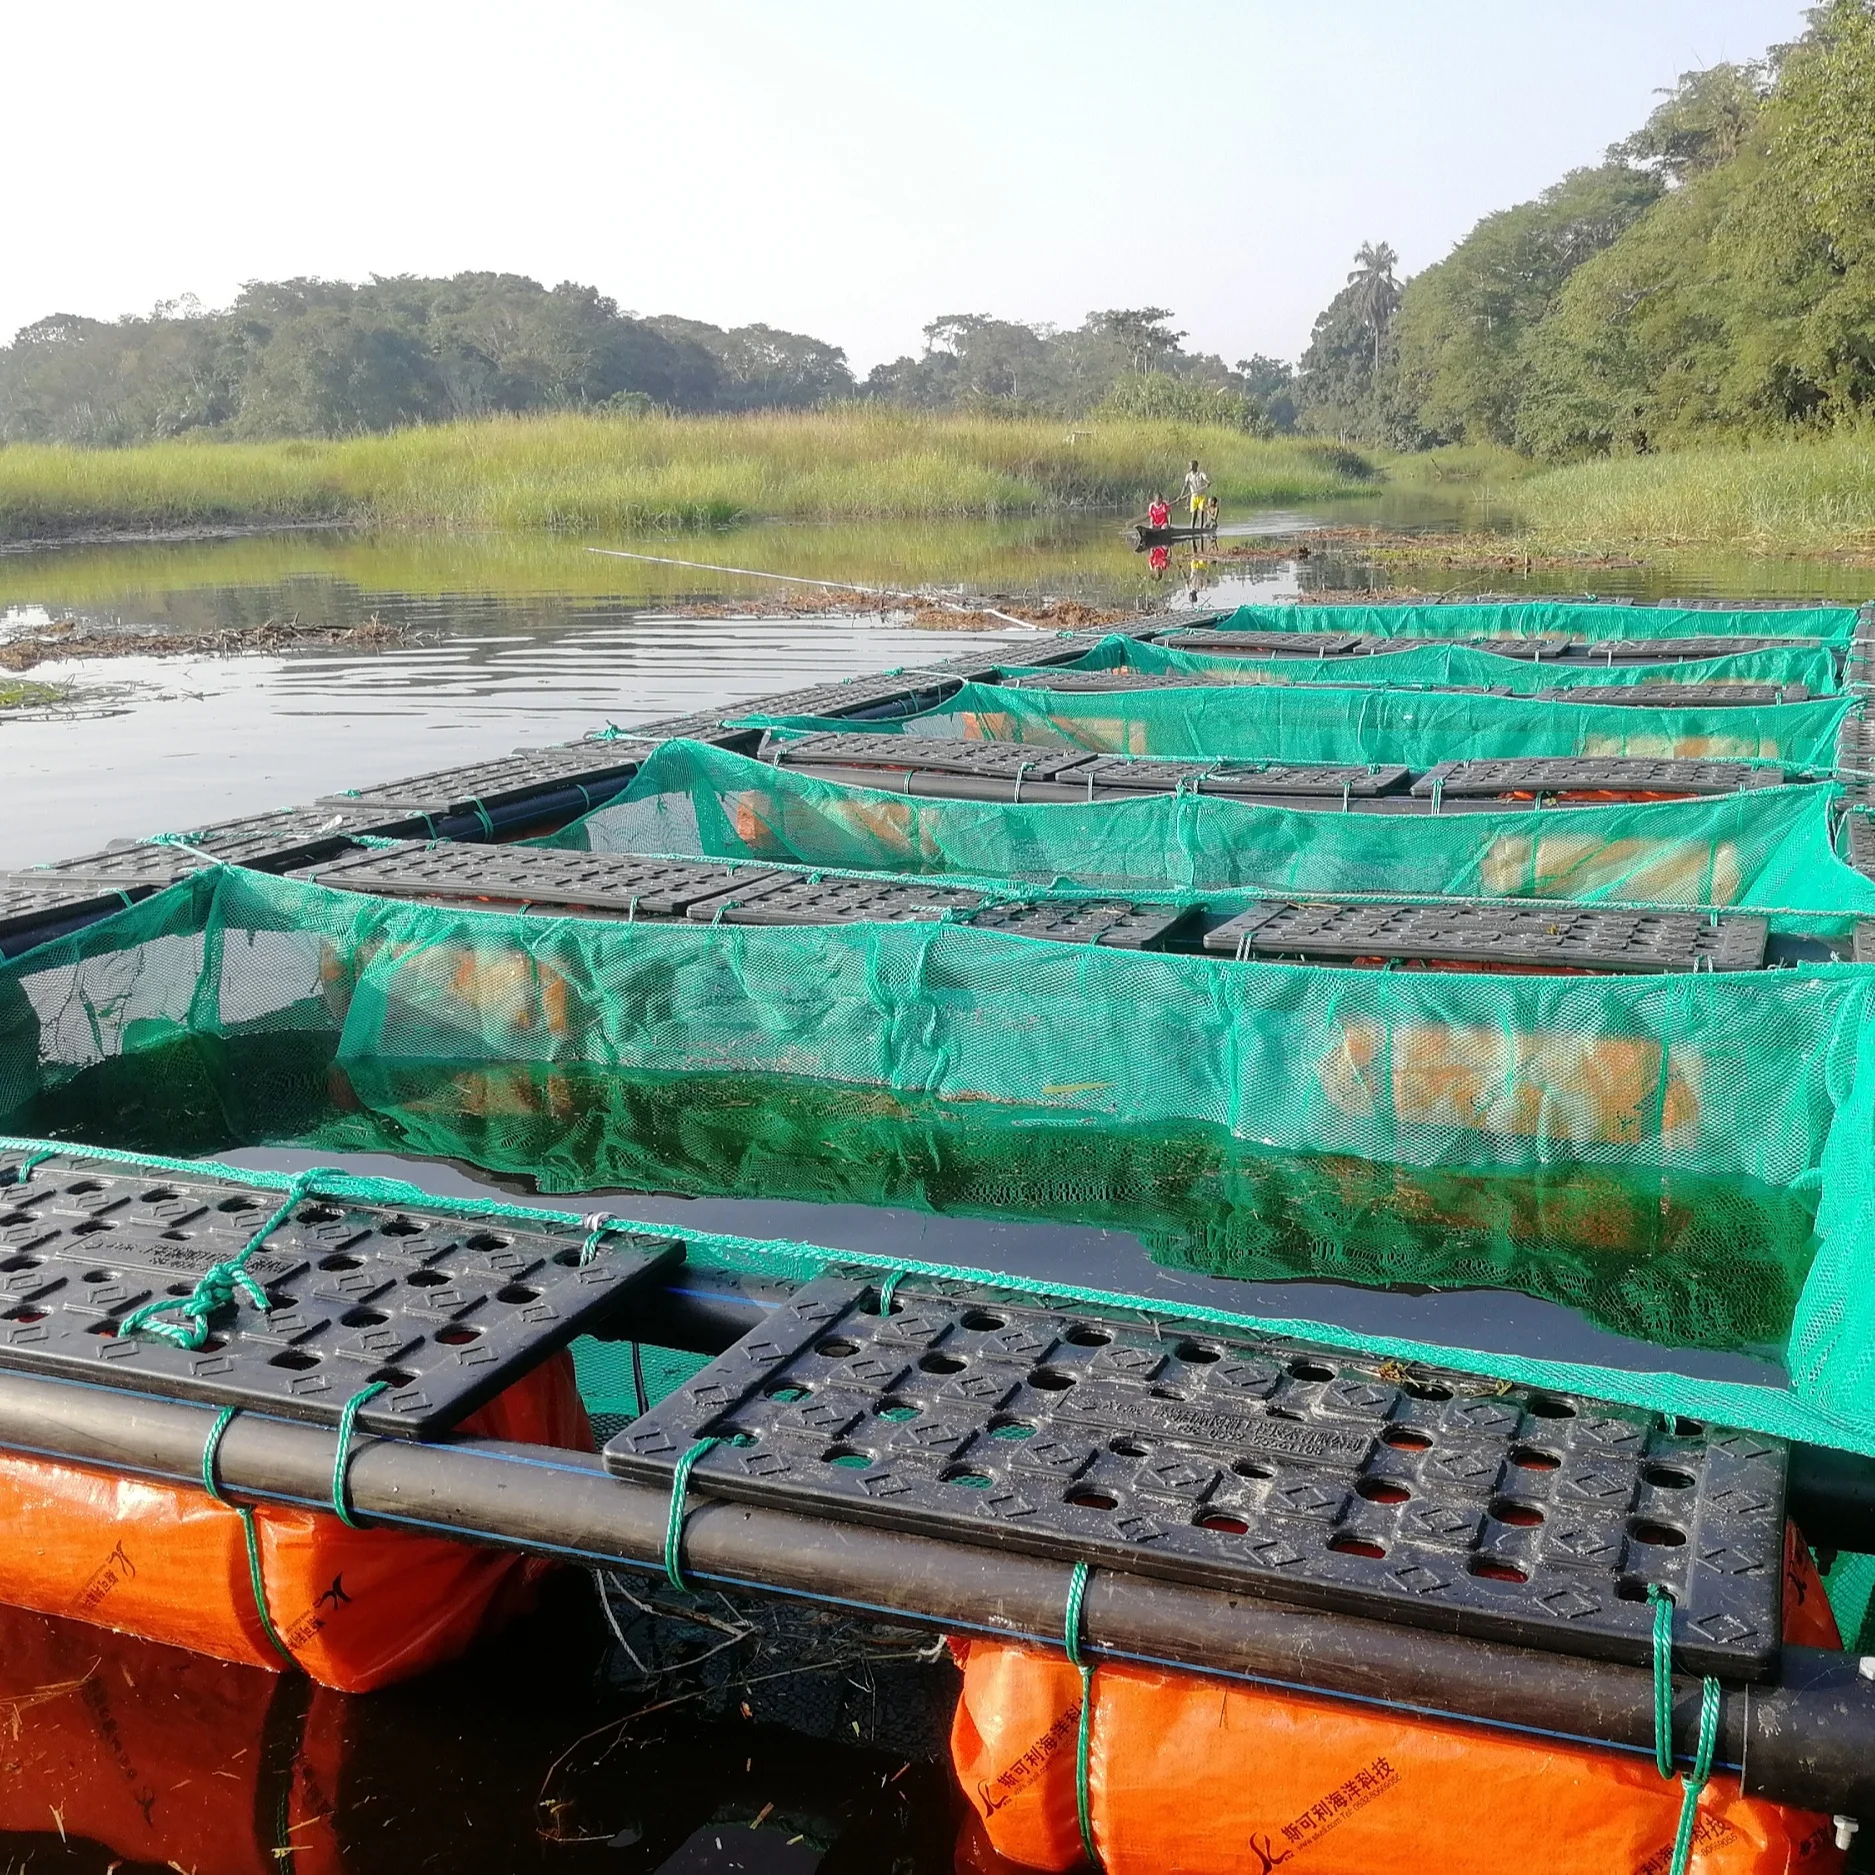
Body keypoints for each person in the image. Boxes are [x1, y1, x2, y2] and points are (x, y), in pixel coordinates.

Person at [1181, 460, 1210, 528]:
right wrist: (1181, 496)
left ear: (1195, 466)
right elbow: (1185, 486)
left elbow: (1206, 480)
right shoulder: (1188, 476)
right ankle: (1192, 528)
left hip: (1202, 496)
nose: (1189, 467)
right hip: (1194, 497)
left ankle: (1200, 528)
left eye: (1190, 465)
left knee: (1201, 514)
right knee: (1194, 514)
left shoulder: (1201, 474)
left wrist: (1208, 483)